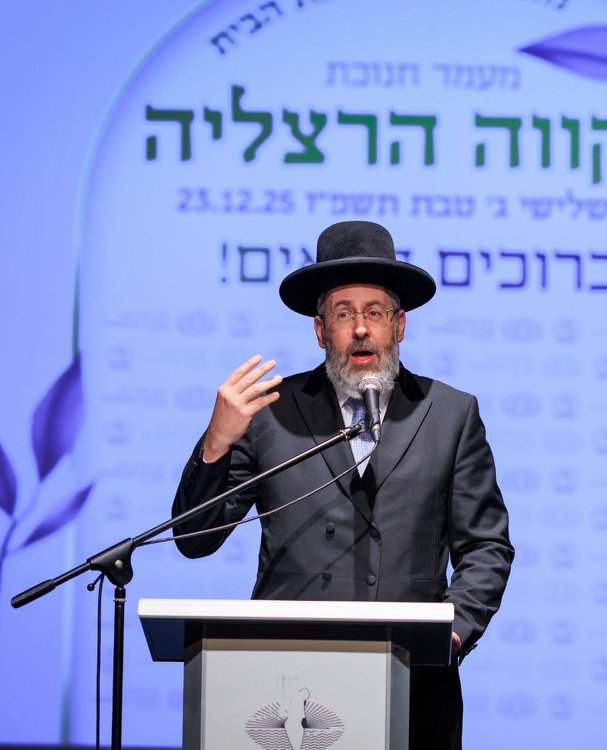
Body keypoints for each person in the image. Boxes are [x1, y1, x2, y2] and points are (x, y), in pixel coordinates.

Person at [171, 220, 514, 749]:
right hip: (286, 683)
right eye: (343, 313)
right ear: (320, 329)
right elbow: (195, 540)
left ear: (399, 325)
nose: (360, 329)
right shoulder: (270, 413)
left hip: (414, 683)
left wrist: (455, 628)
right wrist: (216, 441)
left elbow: (486, 545)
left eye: (374, 312)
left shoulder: (451, 413)